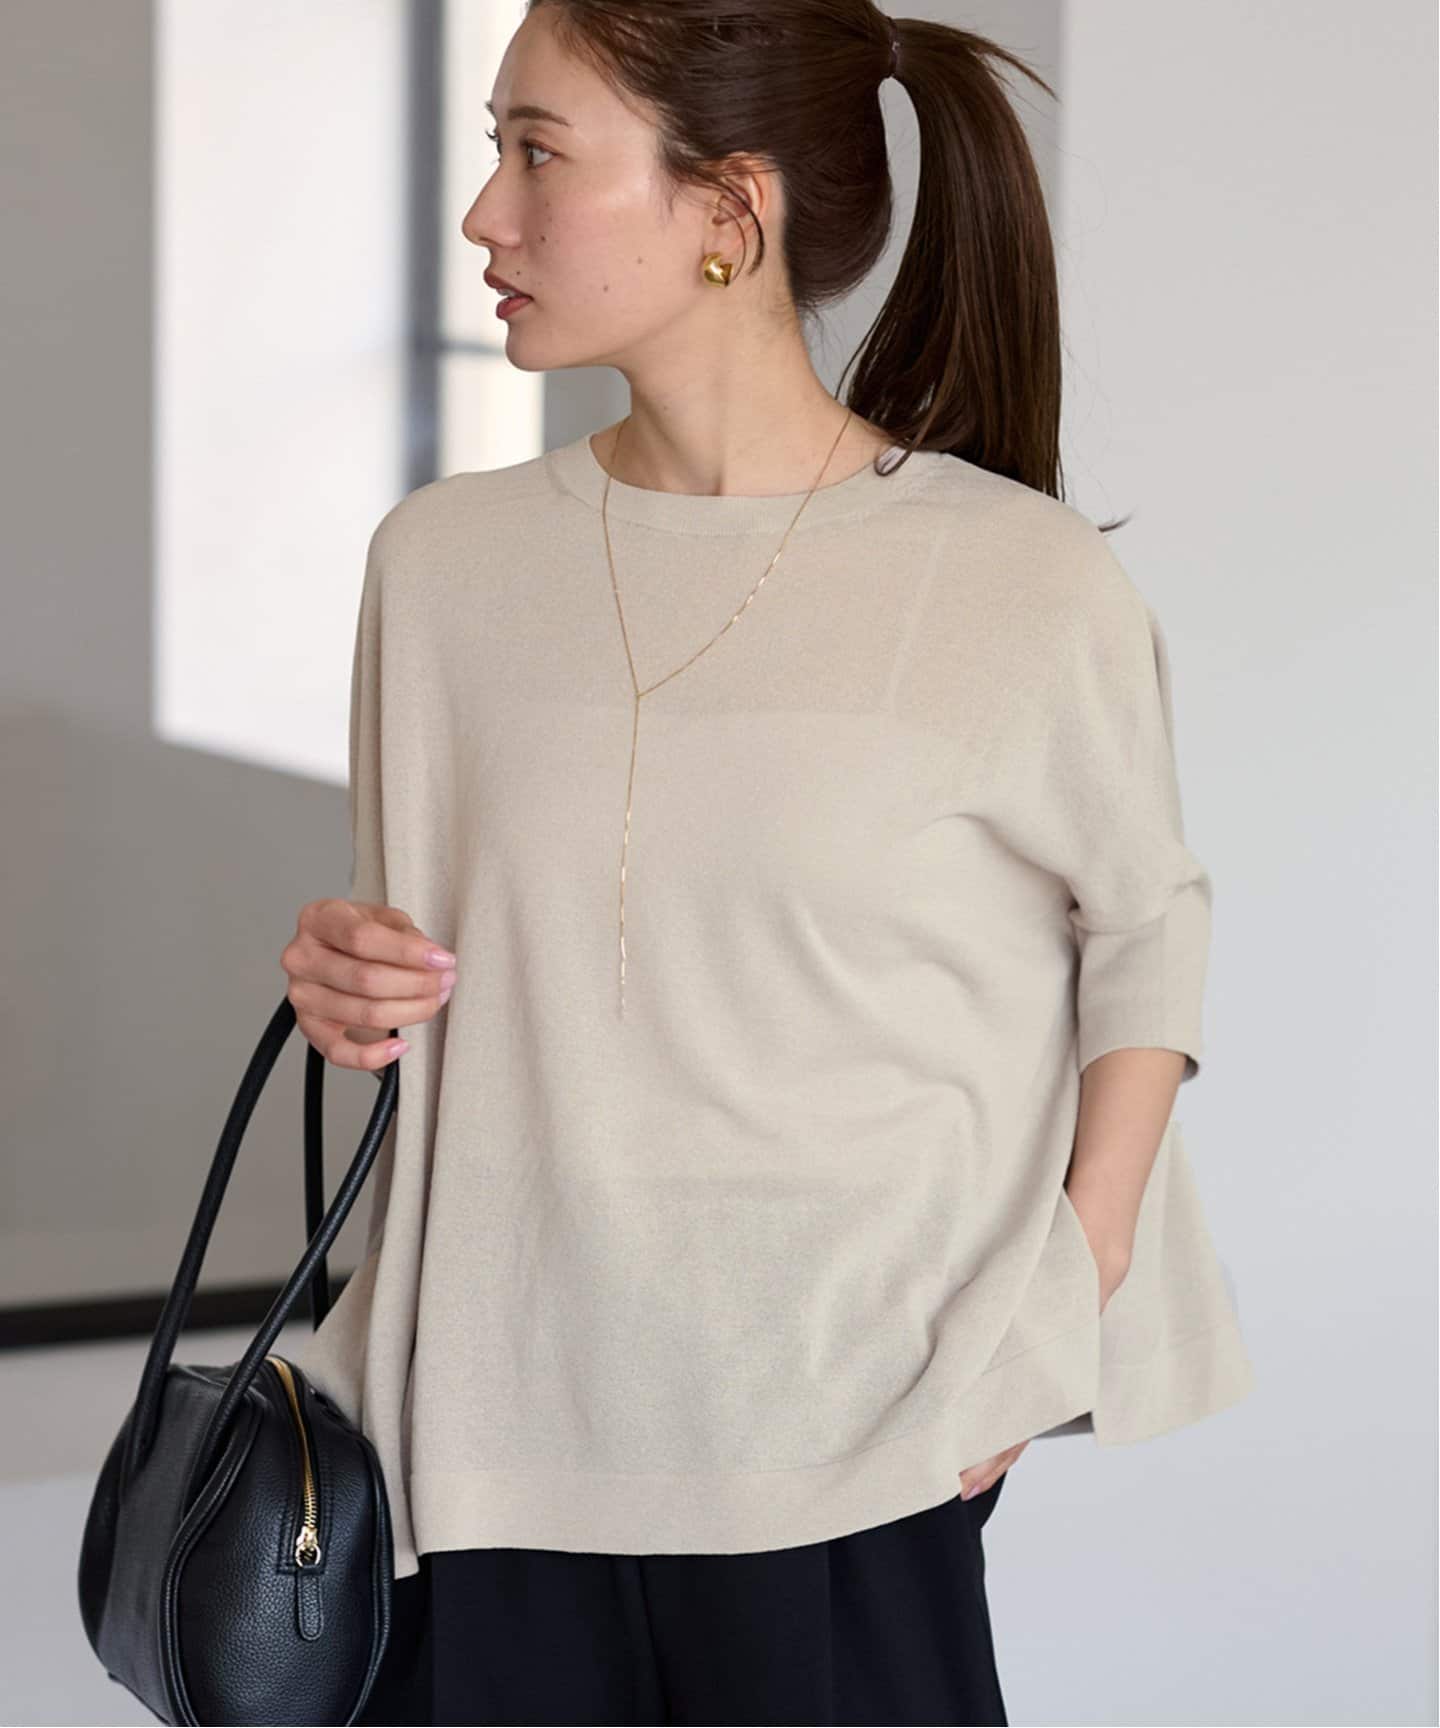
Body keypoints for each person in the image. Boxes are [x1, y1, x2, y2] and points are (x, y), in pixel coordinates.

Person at [279, 4, 1254, 1723]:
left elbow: (1146, 929)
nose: (486, 214)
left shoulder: (1016, 581)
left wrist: (1070, 1285)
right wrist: (348, 982)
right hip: (496, 1451)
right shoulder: (441, 565)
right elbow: (471, 983)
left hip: (856, 1446)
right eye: (495, 148)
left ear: (729, 212)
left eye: (538, 153)